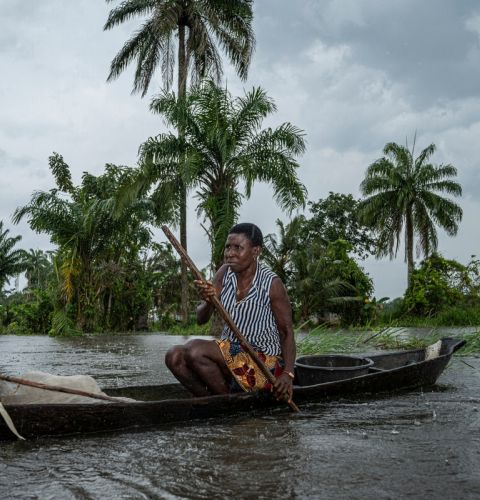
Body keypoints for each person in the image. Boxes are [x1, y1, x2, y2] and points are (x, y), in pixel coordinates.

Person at [165, 223, 296, 402]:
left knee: (194, 350)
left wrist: (288, 375)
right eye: (228, 247)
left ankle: (226, 402)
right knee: (174, 356)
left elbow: (287, 332)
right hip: (231, 356)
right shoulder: (224, 273)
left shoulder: (271, 284)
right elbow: (202, 319)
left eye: (238, 248)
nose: (230, 253)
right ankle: (219, 400)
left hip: (264, 364)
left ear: (256, 251)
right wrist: (210, 301)